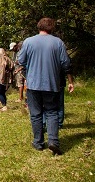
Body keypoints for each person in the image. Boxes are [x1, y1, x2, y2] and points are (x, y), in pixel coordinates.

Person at [18, 17, 73, 155]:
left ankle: (38, 142)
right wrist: (70, 80)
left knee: (36, 114)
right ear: (51, 28)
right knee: (52, 112)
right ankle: (53, 141)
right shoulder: (58, 42)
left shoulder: (28, 41)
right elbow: (66, 63)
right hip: (52, 84)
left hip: (33, 84)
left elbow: (21, 60)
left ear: (38, 26)